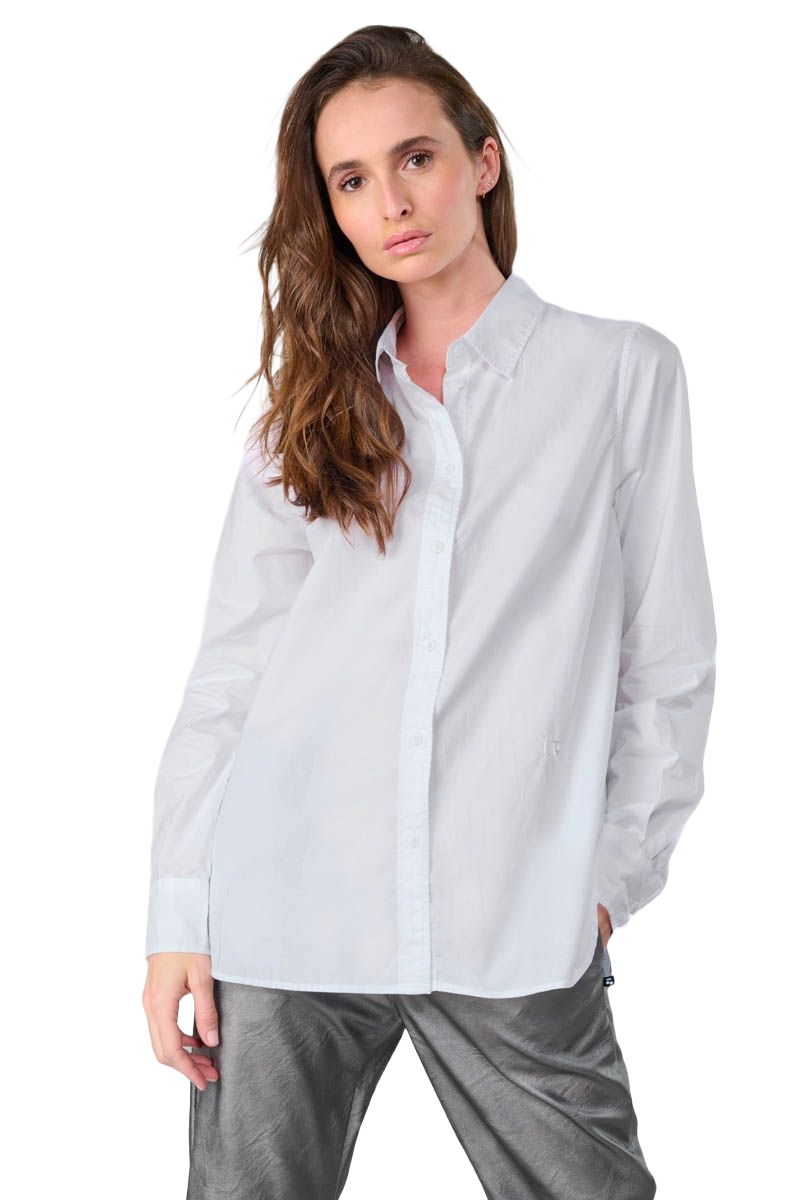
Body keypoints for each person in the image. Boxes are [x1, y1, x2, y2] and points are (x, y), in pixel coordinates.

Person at [141, 23, 717, 1200]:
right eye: (350, 180)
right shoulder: (301, 406)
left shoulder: (619, 372)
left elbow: (665, 661)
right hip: (286, 906)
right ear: (329, 211)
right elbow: (232, 669)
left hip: (512, 911)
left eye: (415, 158)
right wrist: (177, 918)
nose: (391, 203)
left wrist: (606, 880)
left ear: (483, 159)